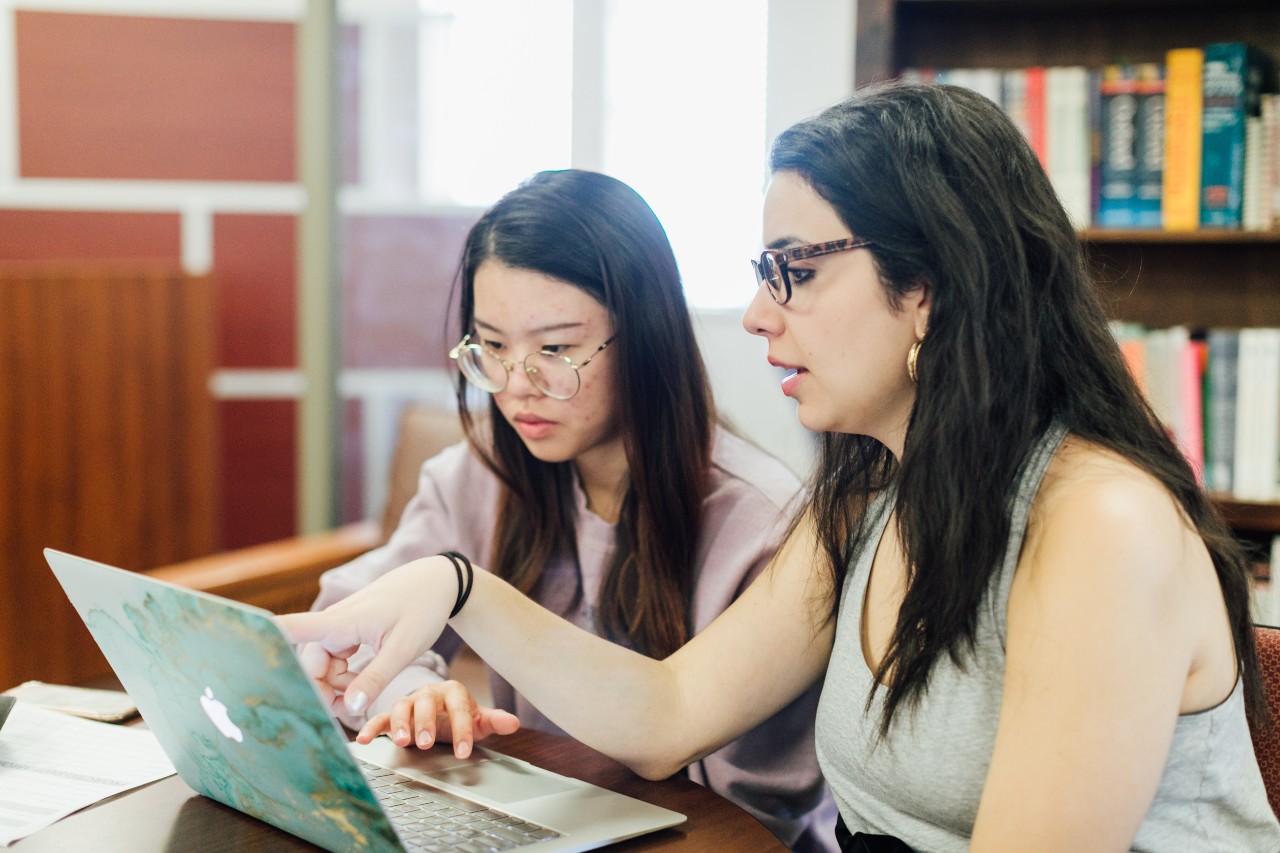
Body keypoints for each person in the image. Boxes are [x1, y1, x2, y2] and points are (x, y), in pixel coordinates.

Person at [281, 84, 1280, 852]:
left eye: (793, 271)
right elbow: (666, 716)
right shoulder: (868, 500)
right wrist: (454, 586)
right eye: (764, 276)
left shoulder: (1099, 526)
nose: (759, 315)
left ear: (927, 286)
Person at [310, 168, 837, 852]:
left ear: (644, 337)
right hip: (532, 820)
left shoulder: (760, 521)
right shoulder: (482, 475)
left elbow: (756, 808)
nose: (517, 386)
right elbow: (341, 627)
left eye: (555, 349)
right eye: (492, 346)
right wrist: (408, 687)